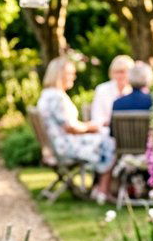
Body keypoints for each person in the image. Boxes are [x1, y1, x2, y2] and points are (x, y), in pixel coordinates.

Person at [37, 56, 115, 202]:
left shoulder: (47, 94)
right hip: (65, 147)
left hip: (58, 145)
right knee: (109, 143)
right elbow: (71, 127)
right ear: (60, 75)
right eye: (70, 73)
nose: (74, 77)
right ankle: (103, 190)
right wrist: (91, 126)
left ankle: (98, 188)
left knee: (104, 141)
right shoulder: (56, 97)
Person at [89, 54, 134, 127]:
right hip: (106, 130)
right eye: (116, 72)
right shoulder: (102, 89)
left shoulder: (133, 91)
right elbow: (96, 117)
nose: (119, 76)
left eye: (123, 72)